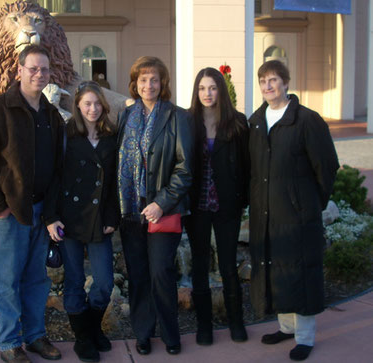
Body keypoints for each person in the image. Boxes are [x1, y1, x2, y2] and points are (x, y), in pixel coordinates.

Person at [0, 45, 64, 363]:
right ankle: (9, 342)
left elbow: (59, 165)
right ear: (18, 70)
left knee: (37, 278)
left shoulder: (50, 114)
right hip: (10, 213)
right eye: (33, 68)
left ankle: (34, 337)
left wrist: (51, 212)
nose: (39, 74)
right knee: (7, 280)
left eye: (44, 70)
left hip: (41, 212)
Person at [248, 60, 339, 362]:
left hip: (297, 214)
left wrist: (312, 203)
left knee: (300, 271)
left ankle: (305, 337)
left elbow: (326, 166)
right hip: (266, 214)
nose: (268, 86)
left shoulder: (306, 120)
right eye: (263, 81)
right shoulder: (257, 121)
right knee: (277, 269)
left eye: (273, 80)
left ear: (286, 83)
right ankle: (286, 327)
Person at [117, 56, 193, 356]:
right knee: (138, 274)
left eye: (154, 79)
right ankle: (143, 332)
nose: (148, 85)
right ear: (135, 84)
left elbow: (185, 168)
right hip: (131, 211)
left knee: (161, 271)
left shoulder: (177, 116)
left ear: (163, 84)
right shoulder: (126, 116)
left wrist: (162, 203)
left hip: (163, 211)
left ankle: (170, 333)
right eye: (143, 79)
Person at [47, 81, 118, 362]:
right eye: (87, 103)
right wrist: (50, 217)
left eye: (97, 104)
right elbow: (54, 178)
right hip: (70, 218)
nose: (93, 108)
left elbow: (114, 182)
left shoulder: (111, 137)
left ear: (104, 106)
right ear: (77, 105)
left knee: (104, 282)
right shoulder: (66, 135)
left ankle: (90, 328)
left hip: (101, 219)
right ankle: (84, 339)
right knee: (75, 280)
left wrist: (113, 216)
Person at [185, 67, 250, 346]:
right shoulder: (187, 122)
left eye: (212, 88)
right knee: (199, 266)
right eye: (202, 88)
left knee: (227, 265)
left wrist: (242, 200)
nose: (207, 94)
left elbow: (247, 166)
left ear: (220, 90)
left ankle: (236, 322)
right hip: (196, 206)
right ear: (196, 92)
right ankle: (204, 326)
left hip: (227, 206)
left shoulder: (237, 122)